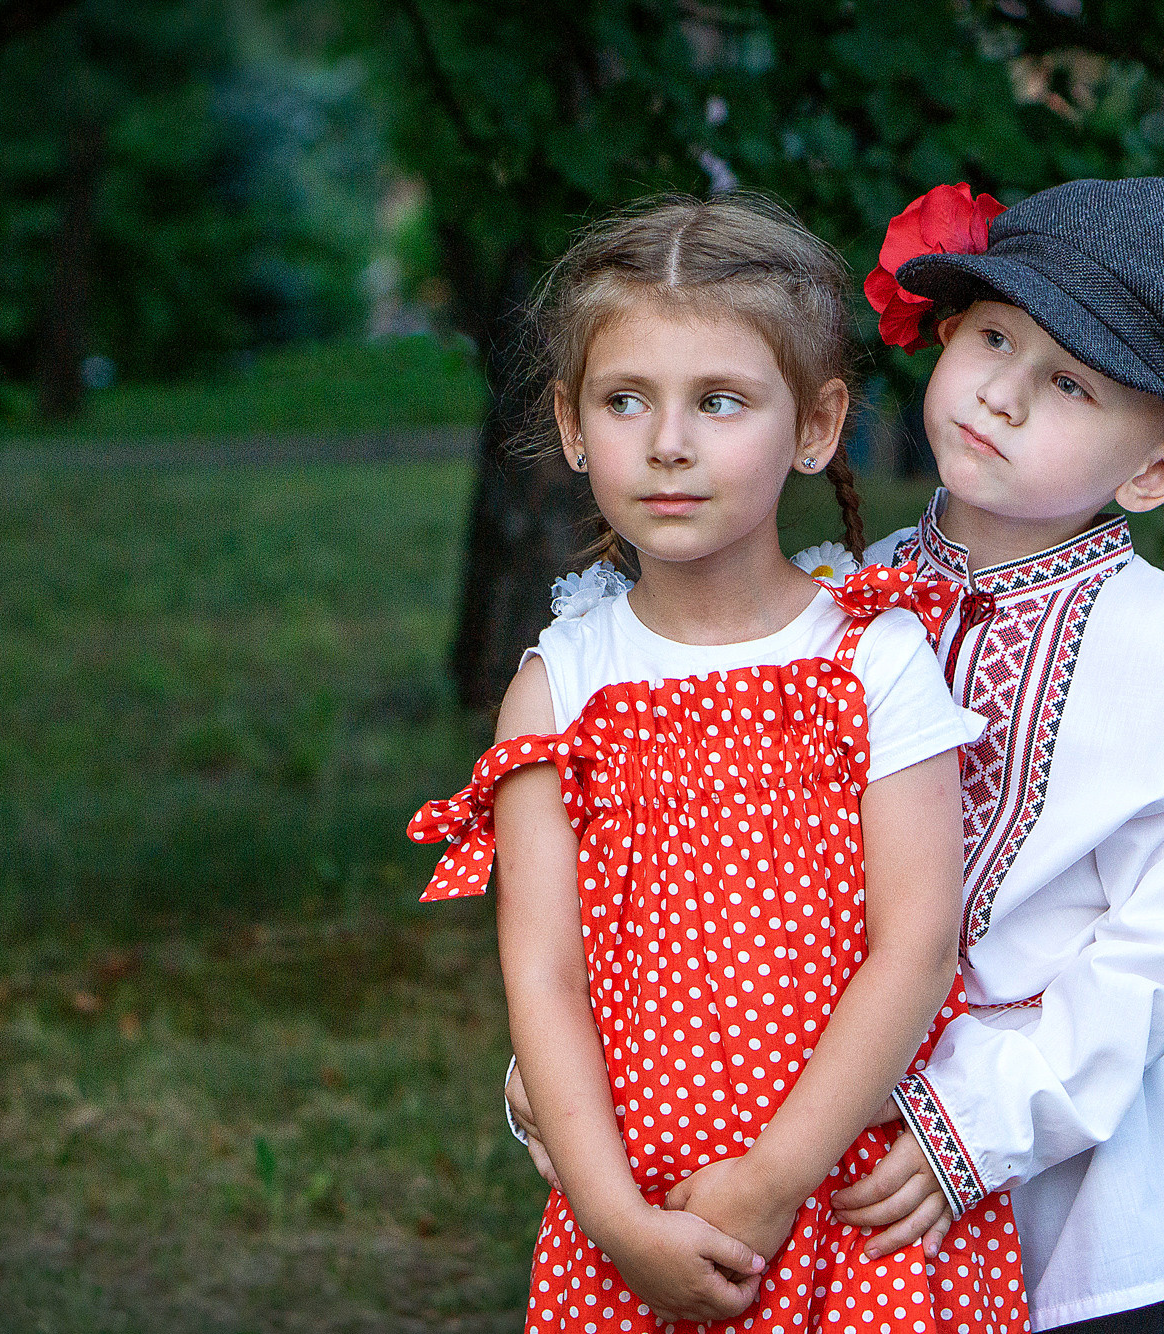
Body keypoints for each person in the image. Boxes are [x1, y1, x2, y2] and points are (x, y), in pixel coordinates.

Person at [513, 176, 1164, 1333]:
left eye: (1069, 384)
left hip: (1058, 1176)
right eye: (994, 338)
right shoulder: (840, 602)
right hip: (816, 1157)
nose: (1002, 396)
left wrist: (977, 1119)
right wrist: (585, 1073)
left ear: (1153, 472)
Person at [409, 193, 1031, 1334]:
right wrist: (612, 1219)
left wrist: (773, 1179)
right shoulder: (561, 686)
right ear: (572, 424)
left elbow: (916, 943)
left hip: (846, 1200)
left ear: (816, 425)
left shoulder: (873, 659)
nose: (668, 442)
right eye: (625, 399)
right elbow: (542, 974)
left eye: (720, 400)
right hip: (642, 1207)